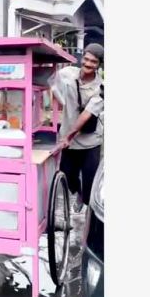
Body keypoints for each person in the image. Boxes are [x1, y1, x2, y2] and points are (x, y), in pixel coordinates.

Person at [51, 43, 104, 213]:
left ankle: (87, 205)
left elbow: (86, 115)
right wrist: (54, 51)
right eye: (86, 59)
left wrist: (67, 137)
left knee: (90, 184)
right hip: (69, 140)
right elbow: (51, 79)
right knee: (68, 176)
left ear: (99, 65)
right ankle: (78, 194)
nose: (88, 64)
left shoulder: (101, 88)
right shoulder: (68, 74)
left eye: (93, 62)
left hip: (90, 142)